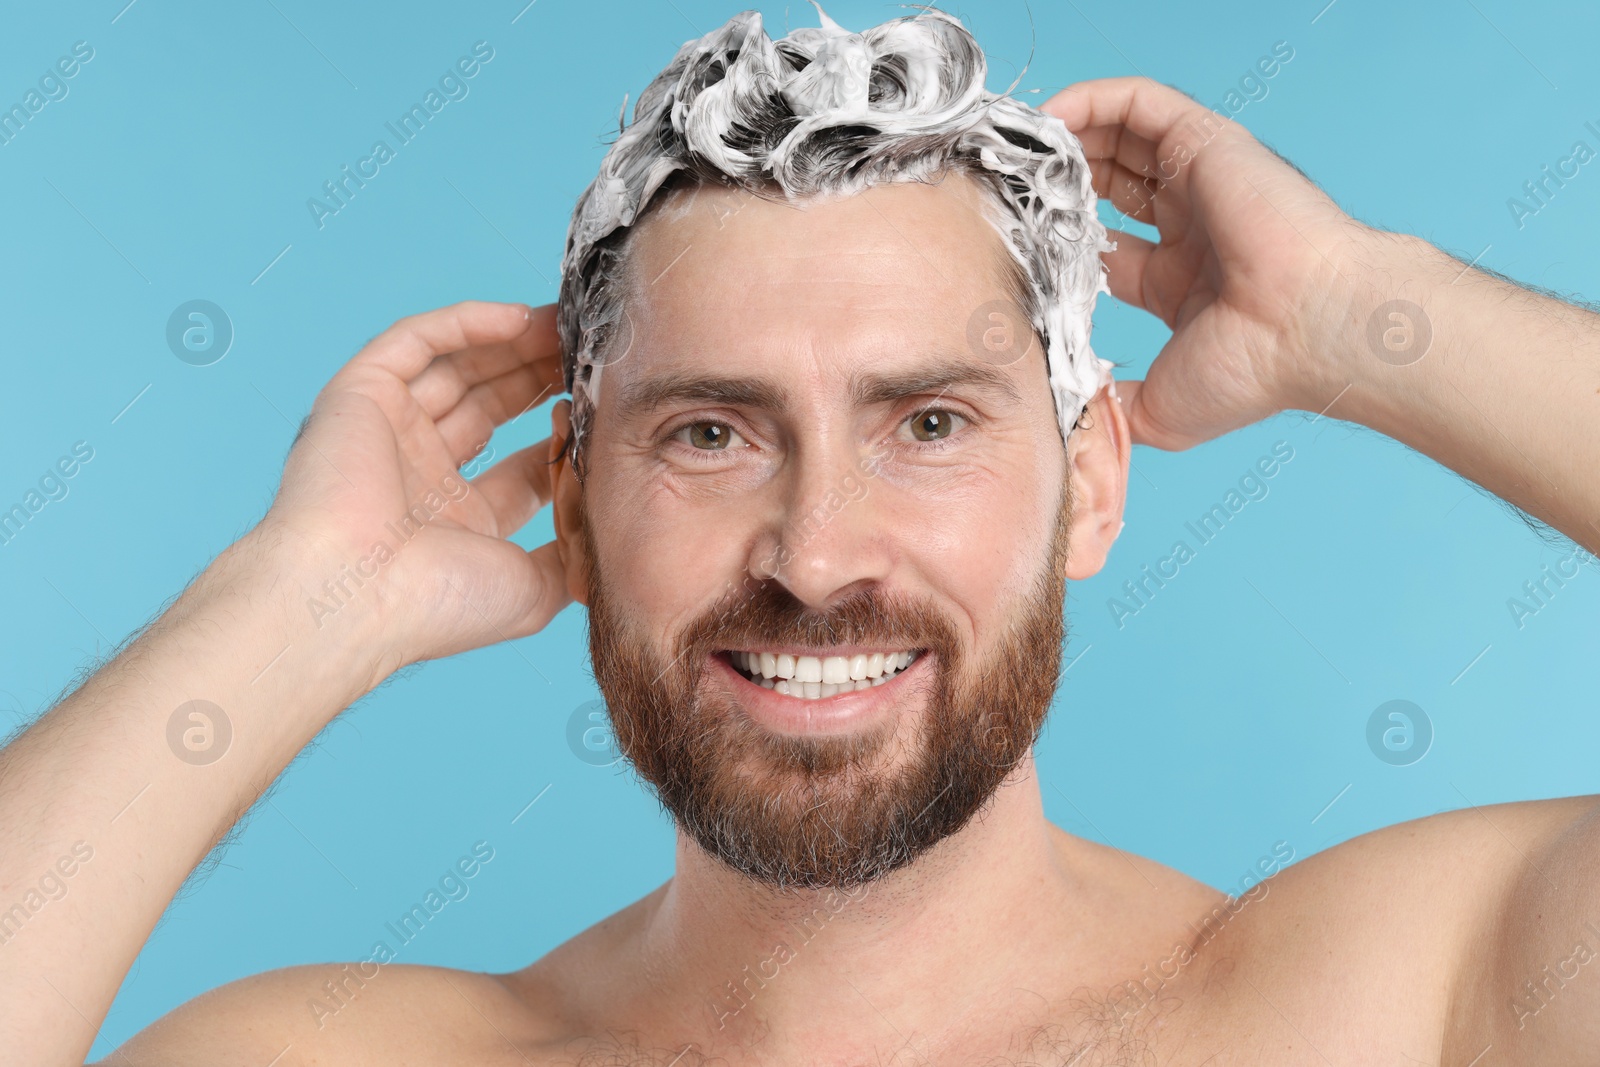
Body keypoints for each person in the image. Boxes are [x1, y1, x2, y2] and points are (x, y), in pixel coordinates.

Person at [4, 7, 1598, 1066]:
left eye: (928, 424)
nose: (818, 555)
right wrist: (294, 609)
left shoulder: (1408, 1001)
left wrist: (1363, 313)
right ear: (576, 490)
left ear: (1091, 481)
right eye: (711, 433)